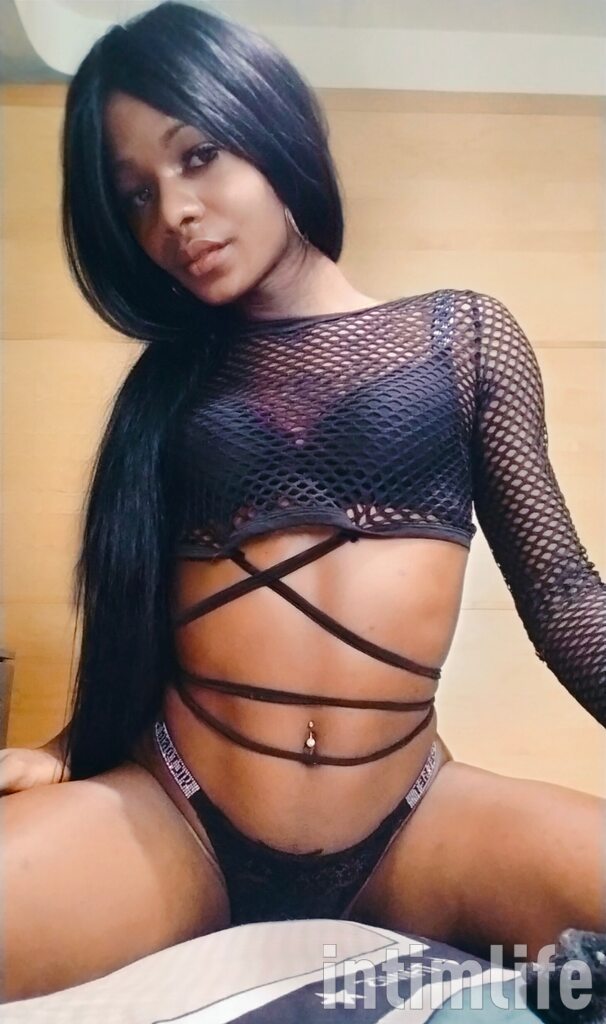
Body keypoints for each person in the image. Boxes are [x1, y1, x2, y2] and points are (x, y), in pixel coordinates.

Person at [2, 0, 605, 1005]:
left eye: (197, 156)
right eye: (137, 195)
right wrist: (63, 752)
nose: (173, 213)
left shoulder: (462, 339)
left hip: (414, 824)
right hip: (179, 818)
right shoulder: (165, 389)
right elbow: (132, 616)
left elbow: (566, 594)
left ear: (268, 123)